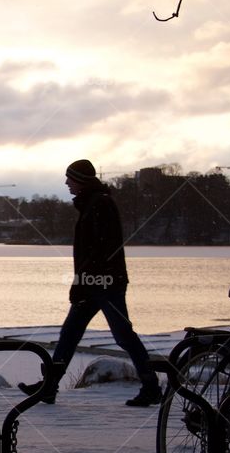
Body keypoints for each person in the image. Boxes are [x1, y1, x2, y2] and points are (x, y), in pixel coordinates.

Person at [20, 159, 162, 407]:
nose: (66, 183)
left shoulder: (99, 204)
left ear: (80, 180)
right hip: (95, 283)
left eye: (69, 179)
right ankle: (49, 387)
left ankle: (151, 386)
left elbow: (100, 250)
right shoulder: (93, 203)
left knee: (122, 335)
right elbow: (95, 251)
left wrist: (82, 282)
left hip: (105, 284)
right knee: (70, 334)